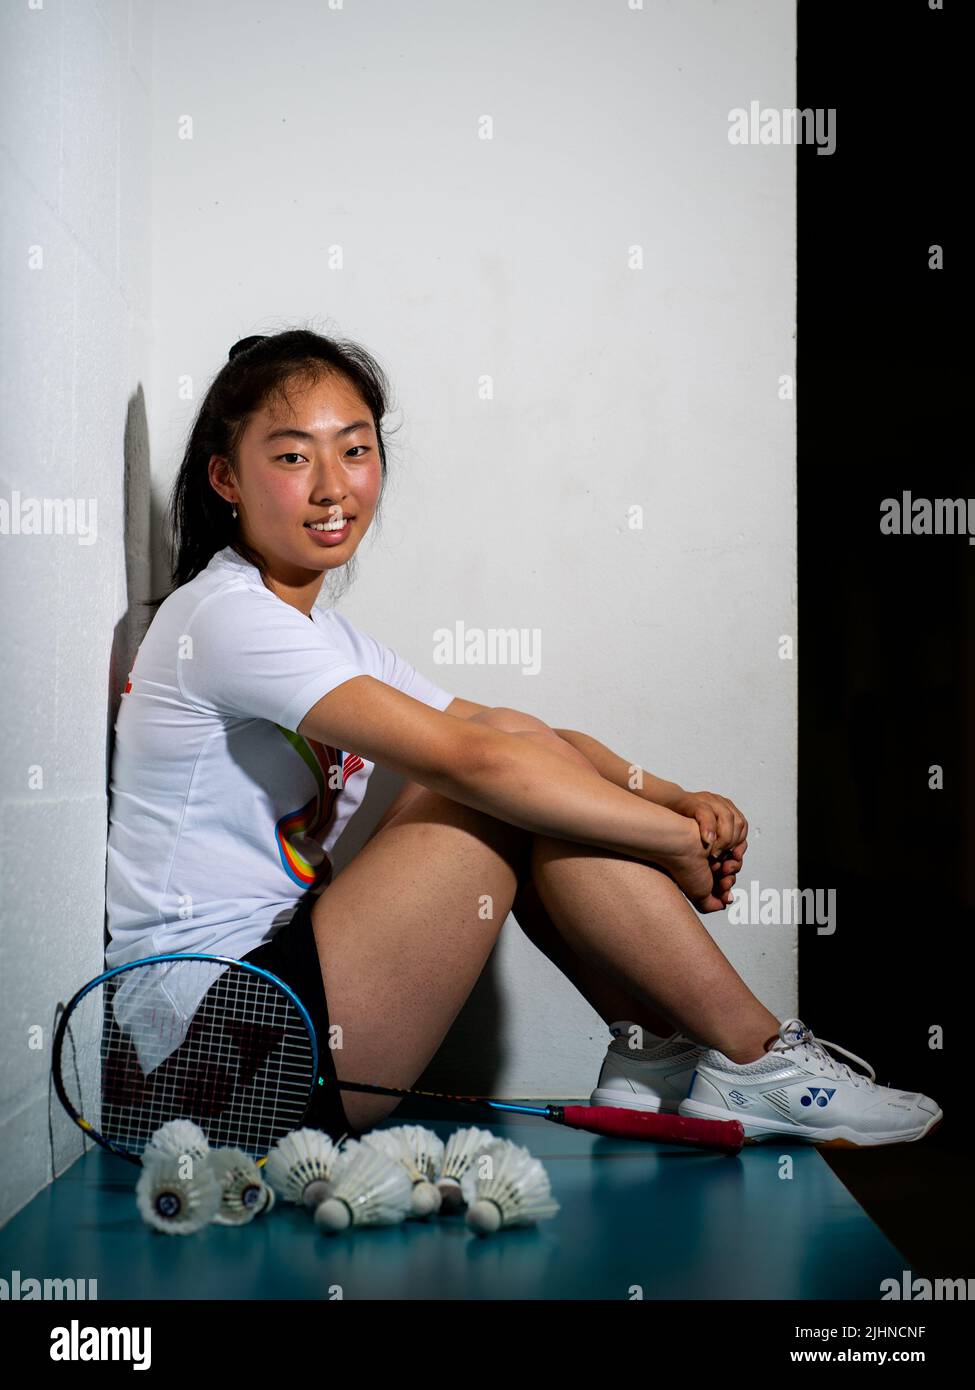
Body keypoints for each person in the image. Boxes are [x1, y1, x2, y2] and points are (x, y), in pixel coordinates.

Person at [104, 328, 941, 1149]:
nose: (332, 487)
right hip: (212, 1063)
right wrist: (671, 842)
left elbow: (505, 732)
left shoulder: (317, 632)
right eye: (292, 458)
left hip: (276, 1009)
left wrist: (670, 798)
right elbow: (476, 763)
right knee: (493, 782)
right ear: (226, 478)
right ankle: (756, 1056)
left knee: (509, 746)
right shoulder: (224, 619)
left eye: (354, 451)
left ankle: (658, 1052)